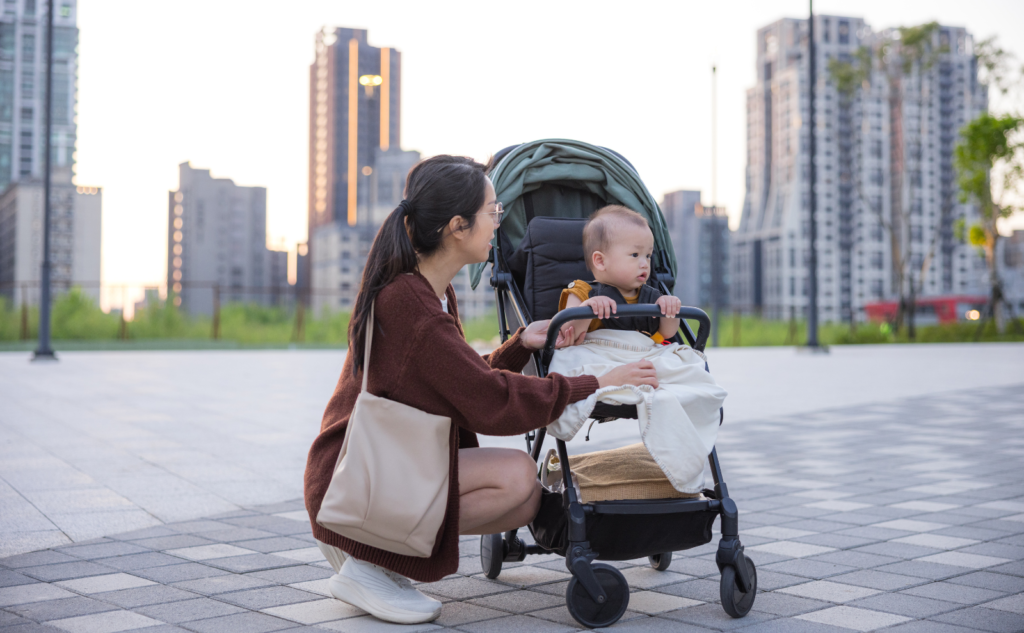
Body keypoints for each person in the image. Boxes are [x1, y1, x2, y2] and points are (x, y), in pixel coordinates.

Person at [303, 155, 659, 625]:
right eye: (493, 211)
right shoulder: (412, 306)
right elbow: (489, 403)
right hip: (352, 481)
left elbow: (460, 379)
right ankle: (367, 558)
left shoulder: (428, 291)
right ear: (456, 226)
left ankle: (381, 559)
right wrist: (595, 383)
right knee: (516, 475)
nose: (498, 221)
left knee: (525, 497)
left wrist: (519, 344)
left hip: (383, 467)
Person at [558, 205, 681, 345]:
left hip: (642, 356)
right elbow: (568, 333)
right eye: (635, 255)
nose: (645, 264)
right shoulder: (583, 293)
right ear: (600, 261)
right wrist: (587, 309)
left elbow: (667, 333)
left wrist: (669, 310)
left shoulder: (651, 297)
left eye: (648, 255)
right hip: (600, 358)